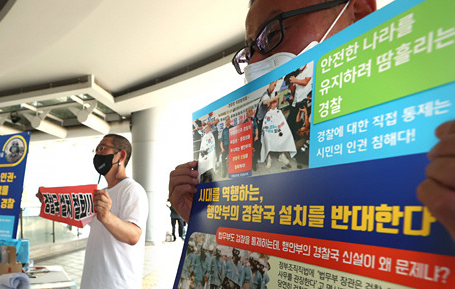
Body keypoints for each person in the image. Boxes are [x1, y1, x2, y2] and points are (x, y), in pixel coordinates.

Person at [168, 0, 455, 243]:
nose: (255, 61)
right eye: (250, 49)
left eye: (271, 33)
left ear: (358, 11)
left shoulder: (426, 127)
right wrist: (205, 222)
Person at [66, 134, 148, 289]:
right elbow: (80, 219)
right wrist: (52, 203)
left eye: (103, 148)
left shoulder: (132, 190)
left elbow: (134, 234)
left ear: (120, 155)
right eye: (97, 148)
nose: (98, 154)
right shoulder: (100, 192)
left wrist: (107, 217)